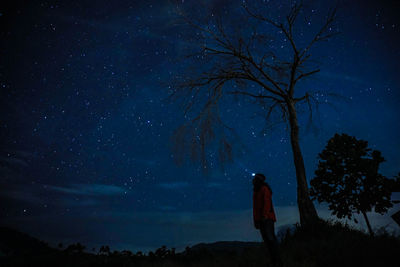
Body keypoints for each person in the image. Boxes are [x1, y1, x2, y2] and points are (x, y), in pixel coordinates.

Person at [252, 173, 280, 266]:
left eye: (256, 179)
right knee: (267, 240)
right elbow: (255, 208)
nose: (254, 181)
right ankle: (274, 260)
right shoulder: (256, 191)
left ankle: (277, 261)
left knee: (270, 239)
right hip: (261, 219)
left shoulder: (264, 189)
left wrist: (264, 216)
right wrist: (256, 220)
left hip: (267, 219)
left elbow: (267, 203)